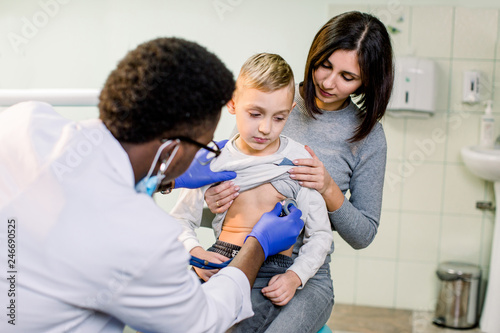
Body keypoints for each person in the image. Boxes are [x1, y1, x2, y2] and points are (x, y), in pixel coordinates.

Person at [0, 37, 304, 333]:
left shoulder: (23, 122)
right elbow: (202, 322)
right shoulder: (145, 239)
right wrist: (257, 247)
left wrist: (169, 179)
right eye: (204, 148)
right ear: (171, 151)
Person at [205, 11, 394, 332]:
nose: (328, 82)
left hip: (307, 274)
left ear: (367, 82)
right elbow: (219, 201)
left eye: (348, 77)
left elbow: (363, 235)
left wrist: (328, 187)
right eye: (324, 65)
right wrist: (212, 201)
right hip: (240, 258)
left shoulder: (368, 136)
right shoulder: (275, 103)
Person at [170, 53, 333, 332]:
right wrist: (196, 253)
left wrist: (295, 276)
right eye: (255, 114)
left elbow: (320, 235)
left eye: (279, 117)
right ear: (233, 103)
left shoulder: (297, 161)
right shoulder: (214, 161)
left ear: (291, 111)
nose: (265, 128)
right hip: (218, 259)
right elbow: (179, 219)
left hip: (271, 271)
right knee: (178, 321)